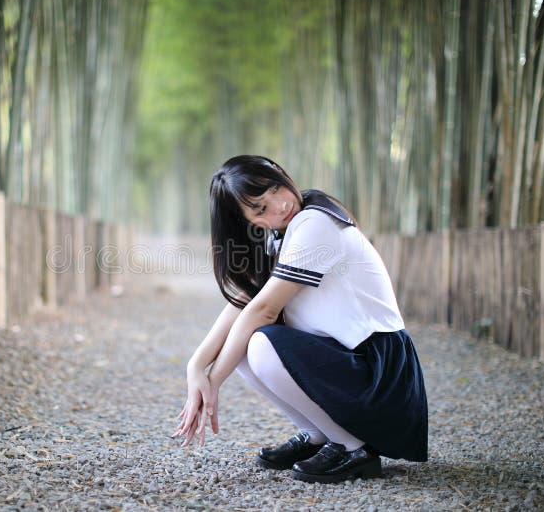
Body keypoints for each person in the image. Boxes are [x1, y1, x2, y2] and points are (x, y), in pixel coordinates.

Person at [172, 155, 428, 484]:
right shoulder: (283, 232)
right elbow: (245, 304)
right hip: (350, 361)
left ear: (281, 174)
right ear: (246, 220)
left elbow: (262, 310)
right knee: (245, 342)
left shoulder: (314, 222)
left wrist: (214, 381)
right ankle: (317, 435)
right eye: (260, 208)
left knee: (260, 342)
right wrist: (196, 367)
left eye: (276, 189)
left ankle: (355, 449)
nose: (279, 205)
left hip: (379, 371)